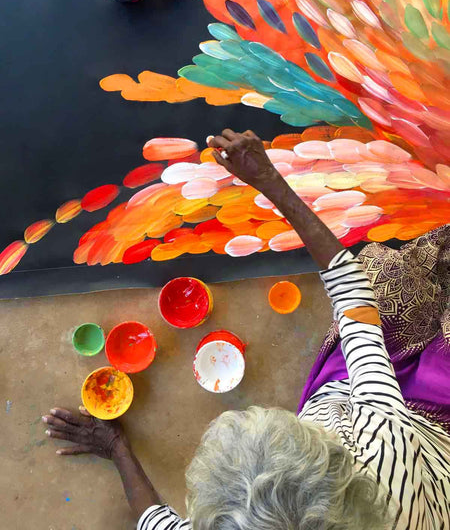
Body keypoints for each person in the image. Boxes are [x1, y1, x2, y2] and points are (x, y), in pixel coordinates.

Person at [42, 130, 450, 530]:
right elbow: (354, 299)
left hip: (369, 416)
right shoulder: (380, 444)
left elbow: (154, 521)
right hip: (426, 443)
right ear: (338, 464)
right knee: (385, 284)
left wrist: (117, 449)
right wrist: (271, 181)